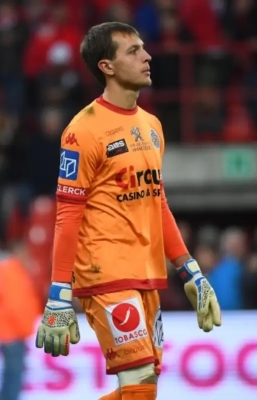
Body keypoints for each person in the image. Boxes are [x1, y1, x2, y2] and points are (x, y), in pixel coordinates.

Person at [34, 22, 222, 400]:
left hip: (146, 273)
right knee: (138, 377)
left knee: (143, 386)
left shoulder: (152, 126)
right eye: (133, 51)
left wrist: (191, 271)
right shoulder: (82, 130)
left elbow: (157, 203)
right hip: (105, 272)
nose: (147, 56)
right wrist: (58, 293)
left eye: (143, 48)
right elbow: (68, 214)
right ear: (107, 66)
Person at [0, 240, 41, 400]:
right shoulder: (12, 272)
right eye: (25, 253)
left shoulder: (9, 271)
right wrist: (26, 328)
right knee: (14, 379)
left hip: (9, 332)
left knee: (9, 376)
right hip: (14, 333)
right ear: (17, 253)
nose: (27, 257)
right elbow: (15, 305)